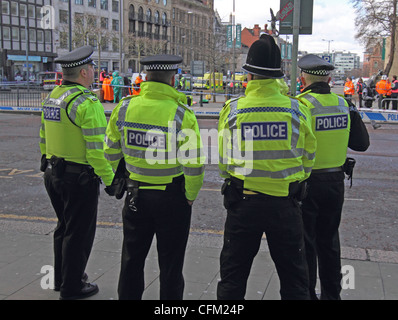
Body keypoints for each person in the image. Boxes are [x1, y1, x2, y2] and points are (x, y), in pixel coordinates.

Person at [216, 34, 316, 300]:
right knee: (295, 279)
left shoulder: (234, 109)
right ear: (279, 77)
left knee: (232, 277)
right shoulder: (297, 110)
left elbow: (224, 161)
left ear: (249, 76)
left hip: (243, 203)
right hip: (285, 205)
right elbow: (309, 157)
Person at [104, 54, 205, 300]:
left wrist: (121, 177)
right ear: (173, 79)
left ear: (146, 78)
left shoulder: (124, 108)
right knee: (171, 265)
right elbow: (194, 166)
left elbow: (110, 152)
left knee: (131, 260)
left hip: (135, 195)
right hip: (172, 198)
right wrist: (190, 196)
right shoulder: (182, 115)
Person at [39, 46, 116, 300]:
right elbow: (96, 151)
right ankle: (73, 287)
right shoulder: (87, 102)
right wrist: (110, 180)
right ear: (84, 72)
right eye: (92, 68)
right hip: (78, 178)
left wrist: (45, 159)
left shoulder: (53, 96)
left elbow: (43, 134)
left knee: (64, 227)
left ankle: (62, 278)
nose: (94, 71)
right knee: (78, 233)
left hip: (53, 172)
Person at [297, 54, 370, 300]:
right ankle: (332, 295)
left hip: (306, 183)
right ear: (329, 79)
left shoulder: (301, 106)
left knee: (306, 243)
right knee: (329, 243)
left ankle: (307, 294)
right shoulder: (344, 104)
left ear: (302, 79)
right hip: (335, 184)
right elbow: (361, 144)